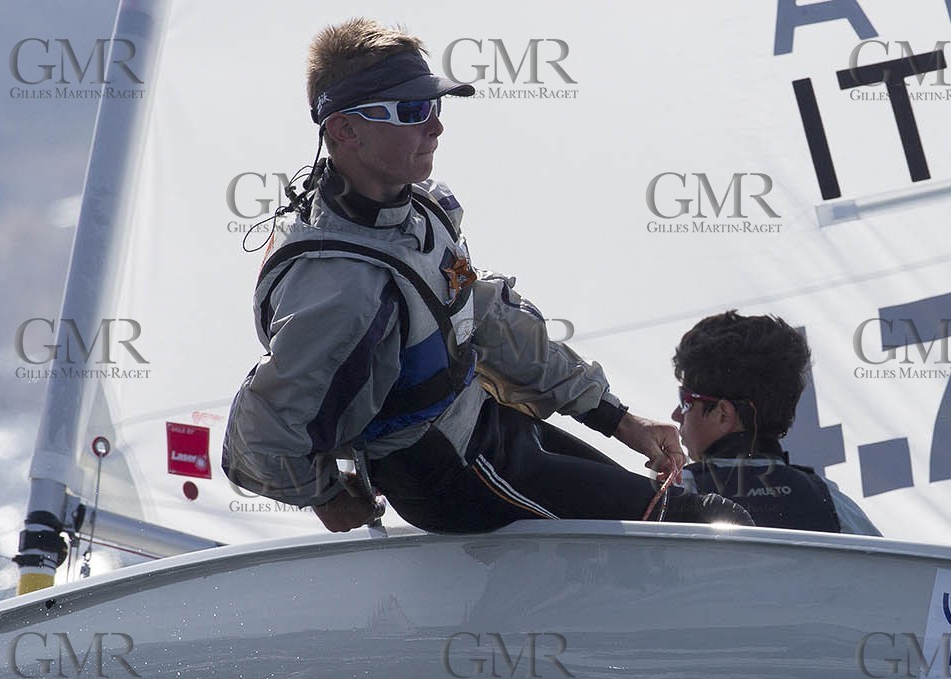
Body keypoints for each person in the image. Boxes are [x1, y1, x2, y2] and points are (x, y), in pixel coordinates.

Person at [222, 18, 747, 532]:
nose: (436, 125)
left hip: (486, 430)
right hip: (449, 478)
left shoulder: (422, 211)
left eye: (434, 105)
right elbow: (261, 436)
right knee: (703, 525)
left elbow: (488, 318)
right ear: (344, 129)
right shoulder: (344, 291)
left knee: (681, 512)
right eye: (411, 110)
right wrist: (327, 496)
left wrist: (618, 419)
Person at [670, 311, 880, 535]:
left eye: (686, 402)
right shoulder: (830, 500)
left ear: (723, 414)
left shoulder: (677, 495)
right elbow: (888, 566)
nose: (676, 415)